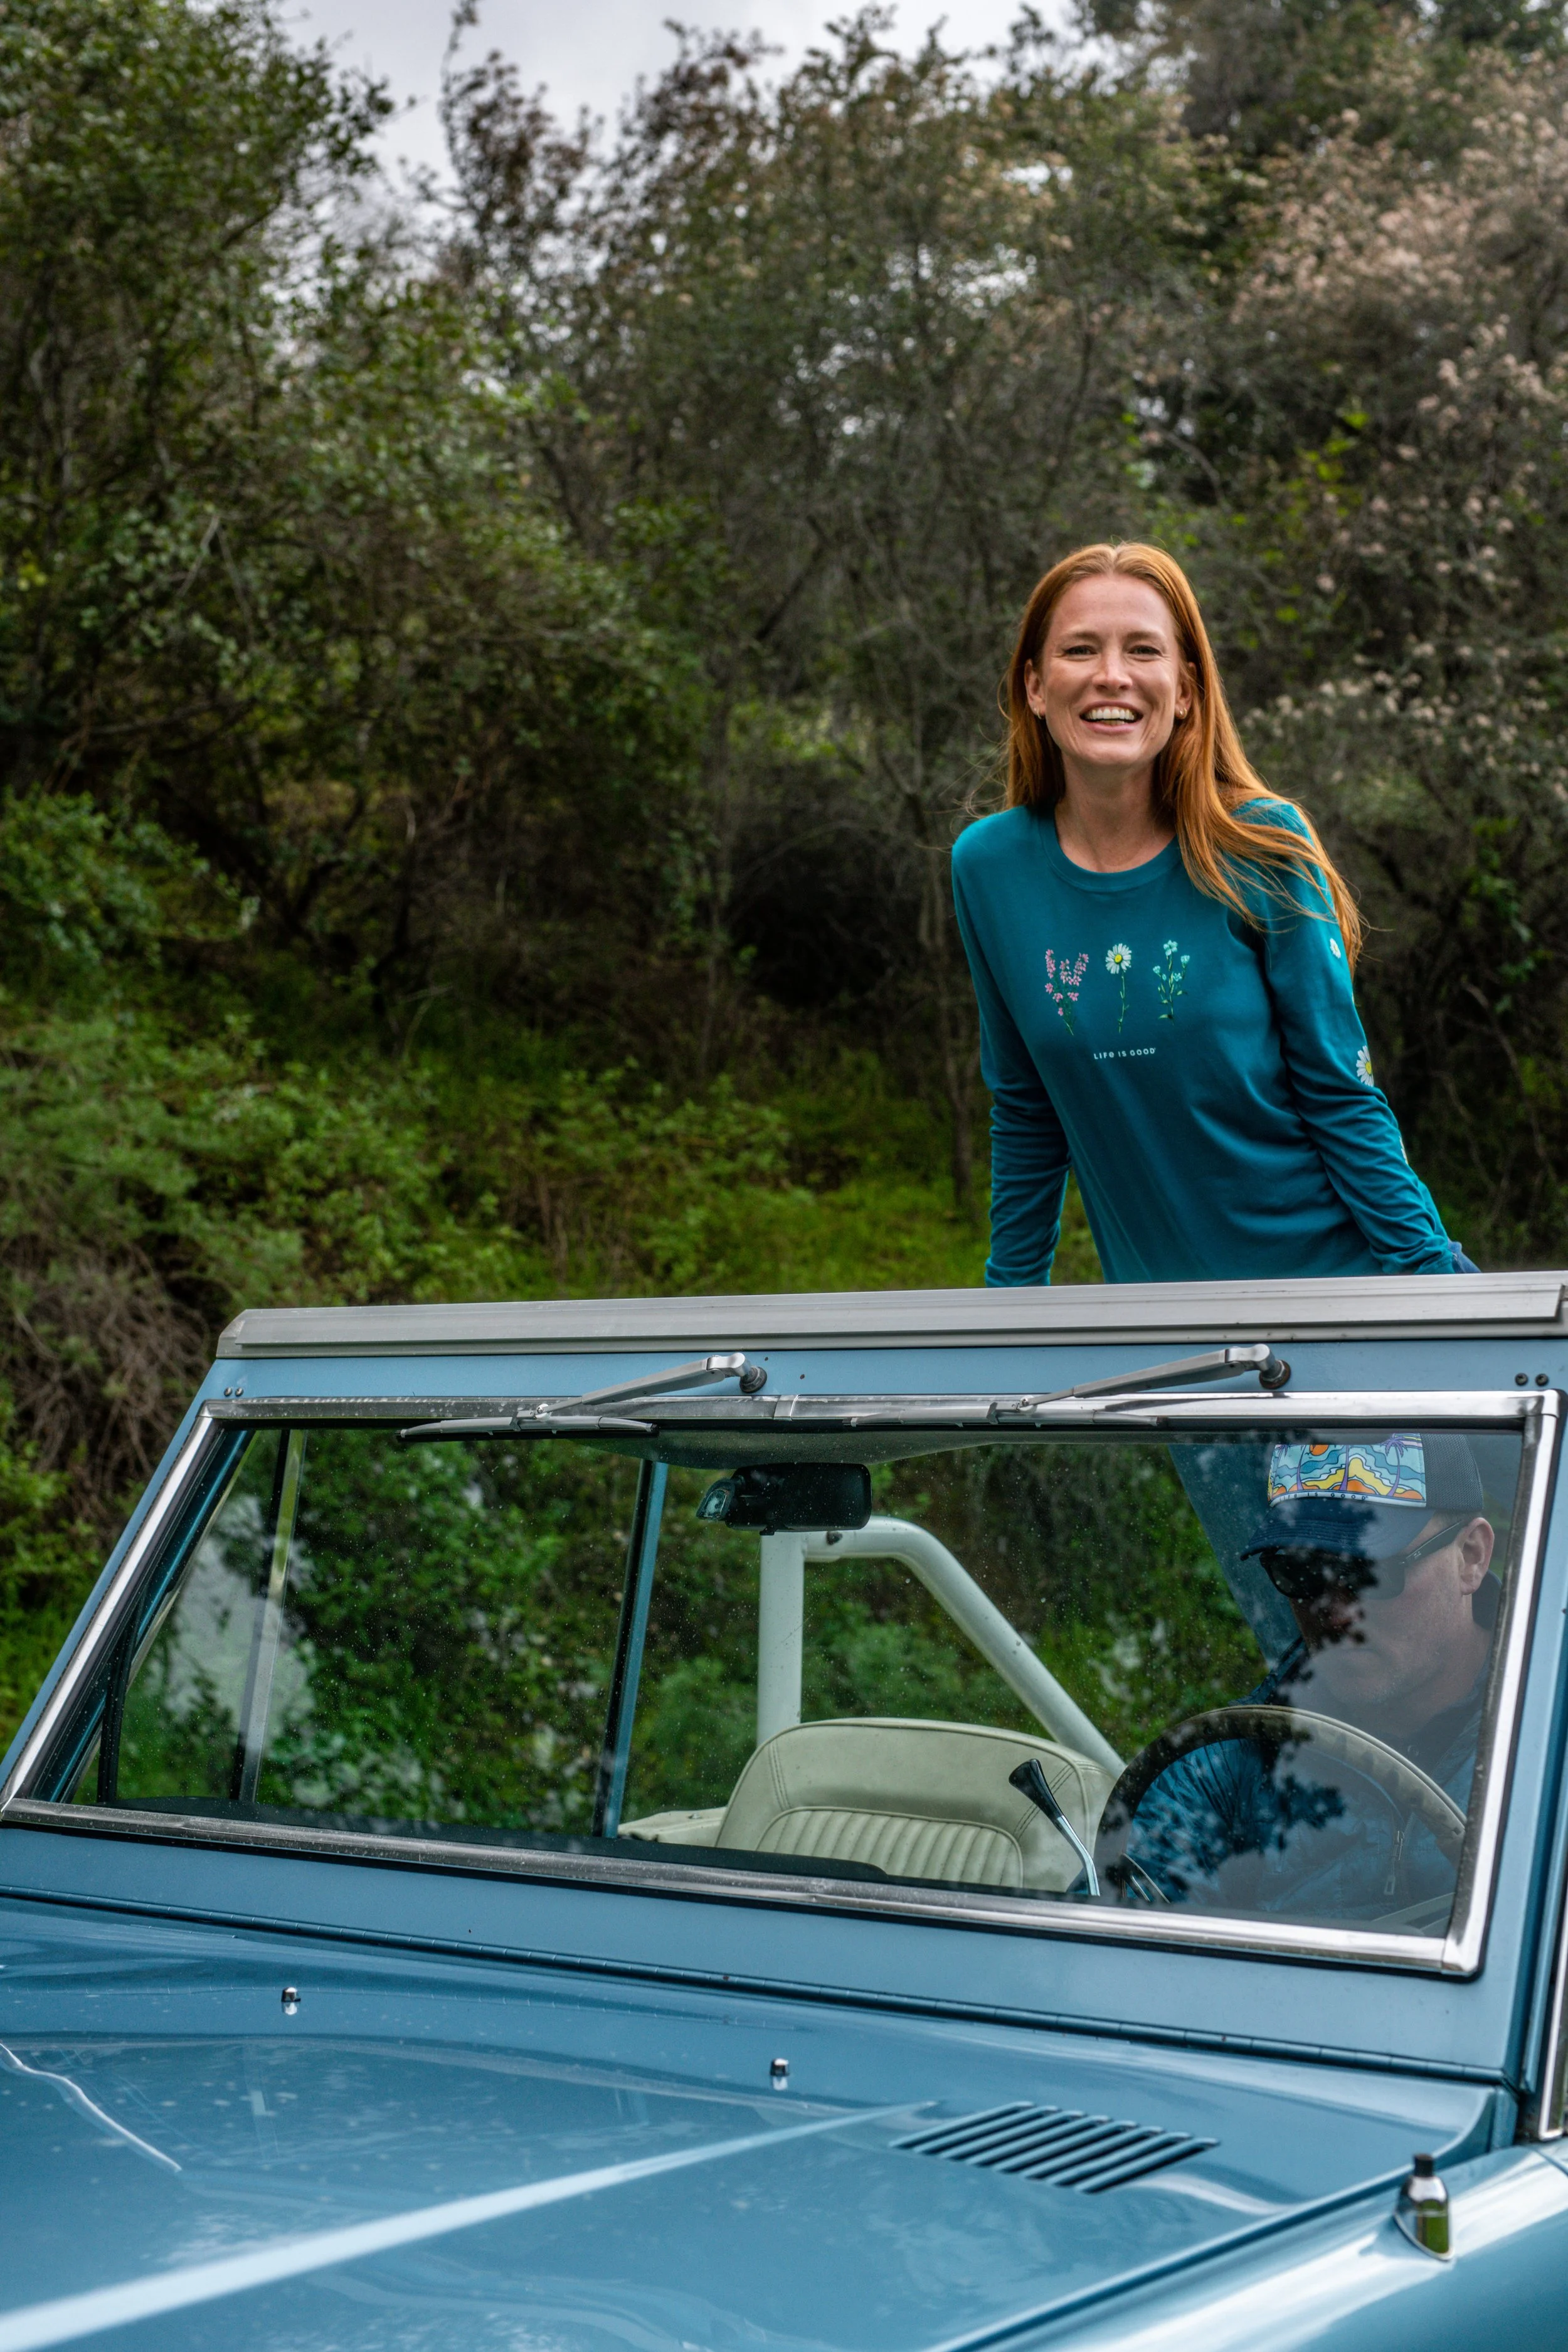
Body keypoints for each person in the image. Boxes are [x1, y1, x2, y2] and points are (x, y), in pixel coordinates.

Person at [950, 541, 1476, 1284]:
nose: (1112, 675)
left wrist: (1430, 1289)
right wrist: (1006, 1314)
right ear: (1034, 686)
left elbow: (1340, 1093)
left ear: (1186, 690)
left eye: (1143, 650)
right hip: (1164, 1328)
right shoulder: (989, 868)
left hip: (1344, 1292)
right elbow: (1026, 1107)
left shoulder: (1261, 845)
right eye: (1079, 649)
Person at [1121, 1433, 1496, 1922]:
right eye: (1298, 1572)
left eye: (1370, 1572)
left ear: (1471, 1556)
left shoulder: (1549, 1753)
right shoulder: (1223, 1777)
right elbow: (1102, 1951)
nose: (1334, 1612)